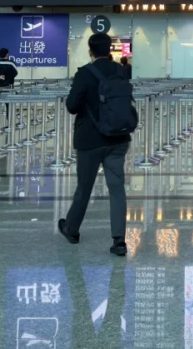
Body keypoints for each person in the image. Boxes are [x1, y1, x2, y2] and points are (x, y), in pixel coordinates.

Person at [58, 32, 132, 254]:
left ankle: (72, 229)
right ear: (109, 49)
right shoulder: (121, 71)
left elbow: (72, 106)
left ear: (90, 50)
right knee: (117, 189)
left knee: (84, 187)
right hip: (118, 138)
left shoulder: (84, 73)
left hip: (90, 140)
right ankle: (119, 241)